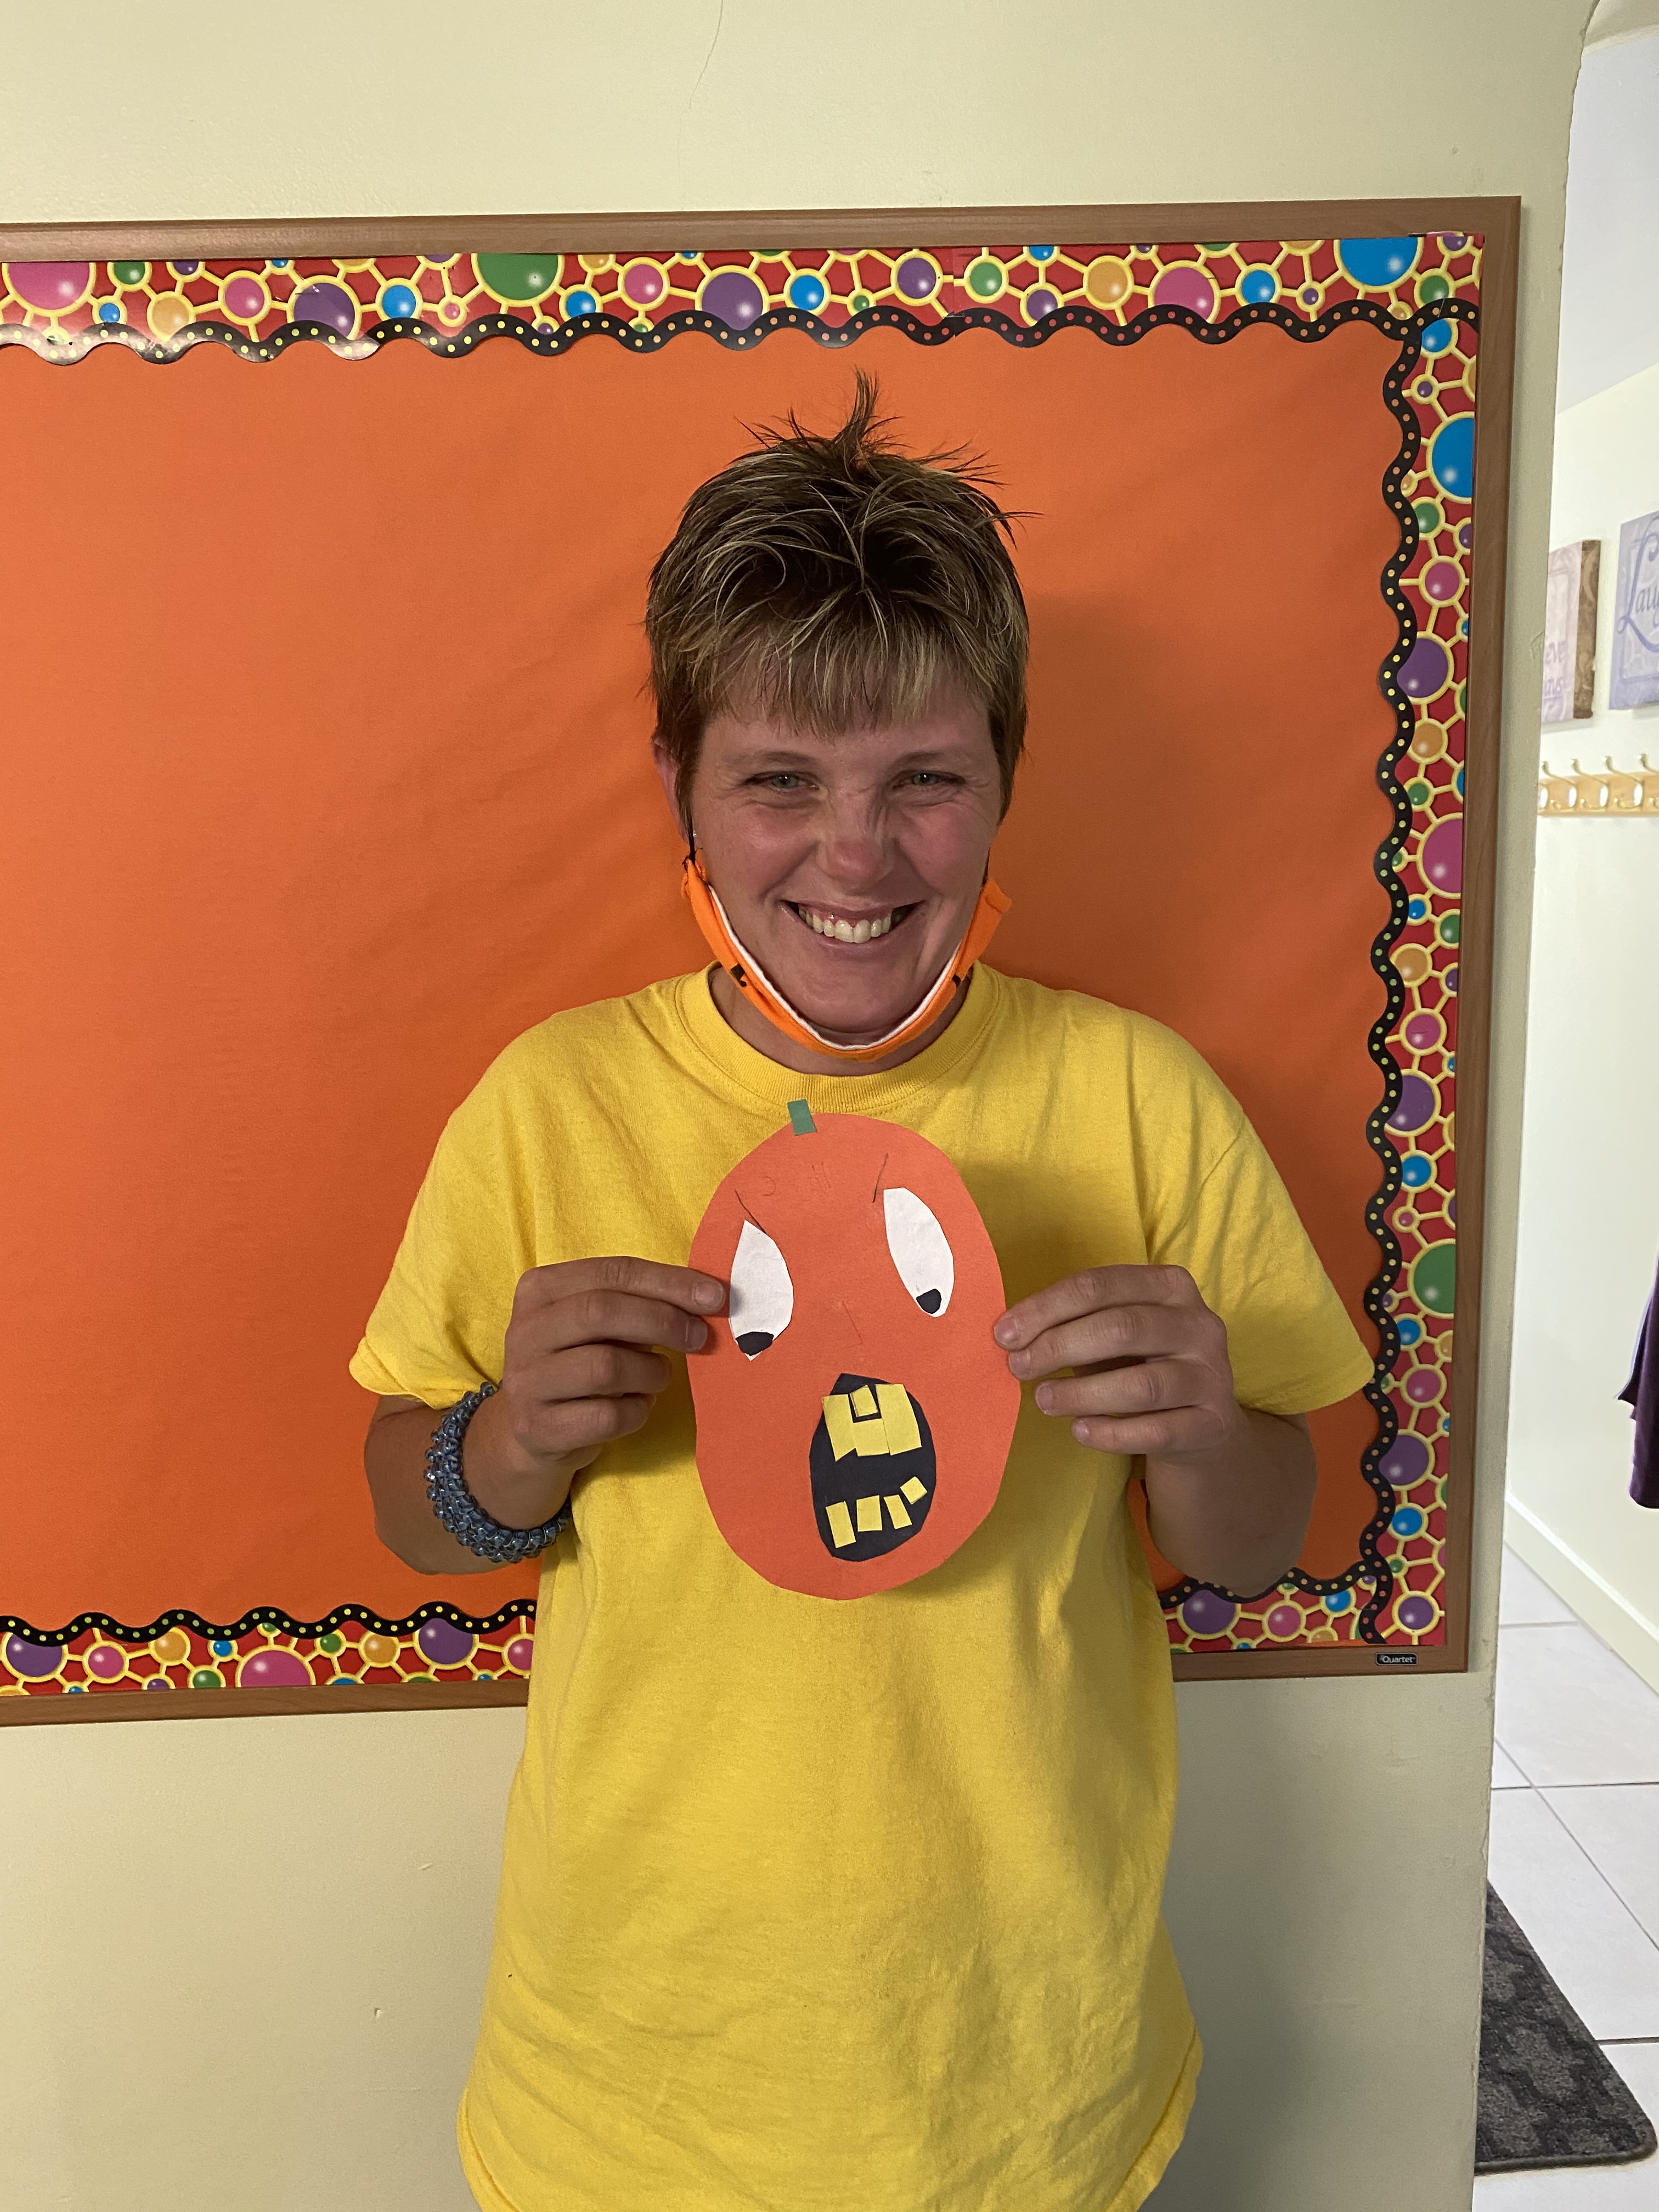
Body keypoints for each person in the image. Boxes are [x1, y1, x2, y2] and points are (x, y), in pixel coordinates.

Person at [353, 375, 1372, 2212]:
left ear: (1004, 784)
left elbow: (1255, 1542)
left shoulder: (1138, 1099)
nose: (854, 852)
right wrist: (502, 1449)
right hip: (635, 2076)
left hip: (1027, 2068)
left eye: (925, 780)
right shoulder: (550, 1105)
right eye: (778, 782)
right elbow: (415, 1518)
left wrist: (1209, 1428)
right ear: (678, 785)